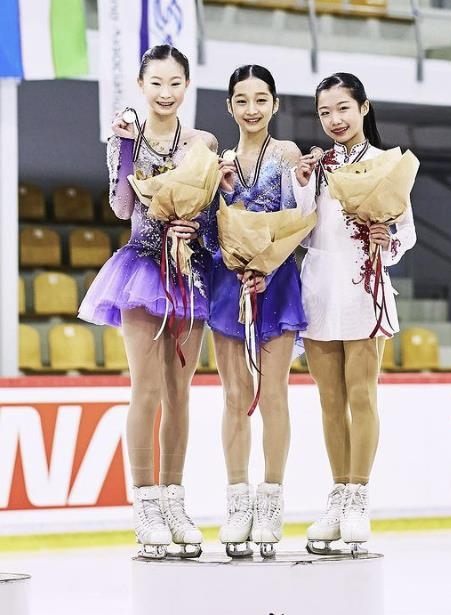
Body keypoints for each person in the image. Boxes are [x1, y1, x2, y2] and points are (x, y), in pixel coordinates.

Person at [78, 44, 218, 559]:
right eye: (156, 83)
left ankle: (175, 498)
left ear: (187, 86)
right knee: (146, 389)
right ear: (141, 85)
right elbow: (121, 206)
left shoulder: (202, 141)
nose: (166, 93)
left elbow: (210, 214)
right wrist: (127, 149)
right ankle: (145, 502)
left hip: (190, 272)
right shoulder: (125, 136)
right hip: (141, 267)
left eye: (175, 83)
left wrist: (192, 225)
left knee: (180, 392)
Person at [292, 72, 417, 553]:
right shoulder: (316, 167)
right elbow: (302, 233)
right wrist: (303, 187)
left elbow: (406, 232)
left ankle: (359, 496)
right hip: (320, 287)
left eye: (343, 108)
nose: (334, 119)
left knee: (361, 395)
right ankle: (338, 494)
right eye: (325, 112)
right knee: (328, 401)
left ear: (364, 108)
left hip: (364, 284)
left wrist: (389, 242)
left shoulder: (388, 165)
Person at [206, 65, 308, 558]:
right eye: (242, 100)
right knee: (233, 396)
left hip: (279, 278)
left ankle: (271, 500)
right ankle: (237, 501)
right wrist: (219, 191)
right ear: (229, 106)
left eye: (261, 99)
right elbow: (211, 233)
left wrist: (269, 265)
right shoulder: (218, 160)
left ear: (275, 105)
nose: (252, 109)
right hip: (230, 284)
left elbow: (297, 222)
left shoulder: (286, 154)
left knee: (274, 395)